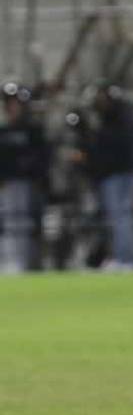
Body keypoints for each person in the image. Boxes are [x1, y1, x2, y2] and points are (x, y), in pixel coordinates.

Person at [84, 81, 133, 270]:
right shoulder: (124, 117)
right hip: (123, 172)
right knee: (121, 215)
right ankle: (123, 256)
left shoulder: (116, 120)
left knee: (120, 215)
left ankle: (124, 258)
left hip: (117, 174)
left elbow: (111, 147)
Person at [0, 81, 48, 274]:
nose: (11, 107)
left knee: (24, 223)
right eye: (8, 103)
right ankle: (9, 261)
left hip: (27, 185)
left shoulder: (33, 131)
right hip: (5, 185)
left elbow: (42, 159)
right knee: (7, 222)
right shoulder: (3, 132)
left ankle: (25, 262)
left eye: (15, 103)